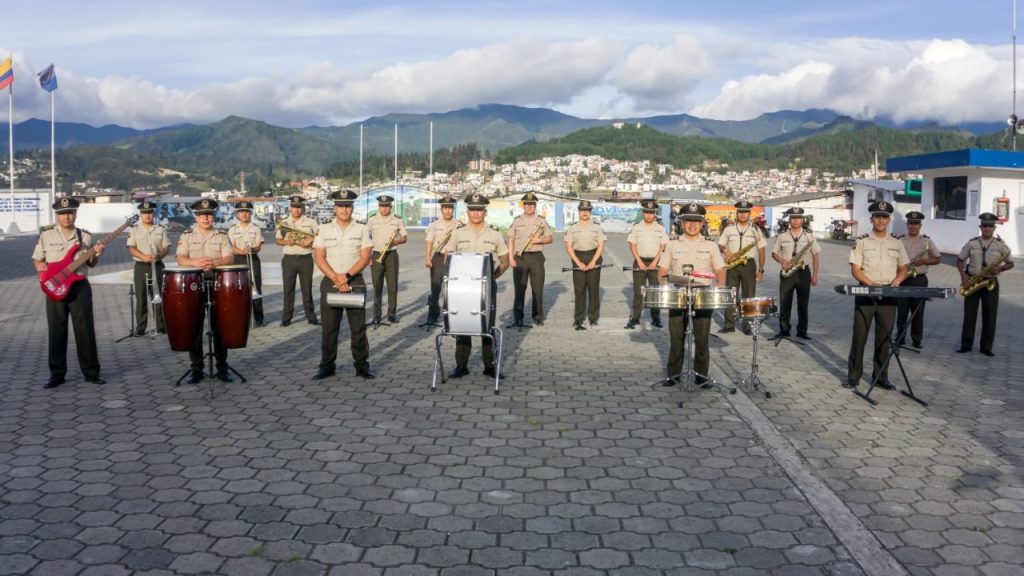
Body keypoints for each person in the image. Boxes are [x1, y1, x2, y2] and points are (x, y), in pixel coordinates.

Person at [33, 196, 106, 388]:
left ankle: (91, 372)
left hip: (79, 287)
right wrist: (45, 276)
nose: (67, 217)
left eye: (70, 213)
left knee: (85, 330)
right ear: (57, 215)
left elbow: (91, 263)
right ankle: (56, 374)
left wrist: (96, 255)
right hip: (55, 288)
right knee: (57, 330)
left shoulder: (85, 237)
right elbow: (38, 260)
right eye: (63, 214)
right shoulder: (46, 235)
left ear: (75, 214)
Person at [658, 202, 726, 387]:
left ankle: (701, 377)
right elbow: (662, 269)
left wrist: (720, 284)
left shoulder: (711, 246)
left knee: (702, 338)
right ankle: (673, 375)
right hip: (678, 293)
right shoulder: (672, 244)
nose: (692, 225)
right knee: (676, 337)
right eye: (688, 221)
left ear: (702, 224)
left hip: (703, 294)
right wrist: (663, 285)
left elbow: (720, 269)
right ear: (682, 223)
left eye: (696, 222)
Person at [312, 190, 375, 380]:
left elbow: (365, 257)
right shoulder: (324, 229)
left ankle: (362, 366)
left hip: (354, 282)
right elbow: (318, 256)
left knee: (358, 329)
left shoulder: (362, 229)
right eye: (340, 206)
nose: (344, 209)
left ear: (352, 208)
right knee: (329, 329)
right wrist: (335, 278)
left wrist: (346, 277)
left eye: (347, 206)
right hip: (330, 282)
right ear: (335, 208)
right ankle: (327, 367)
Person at [846, 200, 908, 389]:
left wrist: (897, 282)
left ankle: (880, 377)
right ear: (872, 219)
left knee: (884, 338)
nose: (881, 221)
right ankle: (853, 377)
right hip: (866, 292)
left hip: (889, 294)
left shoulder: (897, 242)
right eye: (877, 217)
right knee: (860, 337)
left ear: (888, 220)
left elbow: (904, 268)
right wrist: (871, 285)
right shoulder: (862, 241)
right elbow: (855, 270)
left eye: (884, 217)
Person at [447, 193, 510, 379]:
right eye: (473, 210)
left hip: (486, 289)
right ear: (467, 212)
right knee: (462, 323)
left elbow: (504, 260)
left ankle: (489, 366)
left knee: (487, 324)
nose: (476, 214)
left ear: (485, 212)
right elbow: (448, 258)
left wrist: (492, 277)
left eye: (479, 210)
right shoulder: (457, 233)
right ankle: (461, 365)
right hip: (463, 287)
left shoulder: (495, 234)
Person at [176, 198, 236, 384]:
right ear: (196, 217)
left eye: (209, 215)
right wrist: (195, 262)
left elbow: (230, 257)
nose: (205, 218)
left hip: (217, 285)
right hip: (194, 285)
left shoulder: (221, 235)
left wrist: (216, 262)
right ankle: (196, 369)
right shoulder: (187, 235)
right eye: (202, 215)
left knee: (219, 327)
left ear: (213, 216)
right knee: (195, 327)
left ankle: (222, 367)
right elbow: (180, 258)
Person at [956, 212, 1014, 356]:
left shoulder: (1001, 245)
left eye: (990, 226)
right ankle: (966, 345)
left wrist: (1000, 268)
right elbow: (959, 260)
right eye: (984, 225)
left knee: (990, 316)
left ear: (994, 228)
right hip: (972, 281)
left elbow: (1011, 263)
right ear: (980, 227)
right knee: (969, 315)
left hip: (990, 282)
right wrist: (963, 277)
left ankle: (986, 347)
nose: (987, 228)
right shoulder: (972, 243)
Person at [718, 200, 767, 334]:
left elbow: (762, 250)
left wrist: (761, 270)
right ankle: (729, 326)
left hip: (748, 265)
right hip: (732, 264)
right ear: (737, 213)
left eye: (745, 212)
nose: (743, 215)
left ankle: (747, 326)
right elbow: (720, 244)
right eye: (741, 212)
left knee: (749, 296)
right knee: (730, 295)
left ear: (749, 213)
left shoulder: (755, 229)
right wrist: (726, 251)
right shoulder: (729, 229)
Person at [772, 208, 820, 339]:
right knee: (785, 302)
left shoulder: (809, 235)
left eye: (798, 218)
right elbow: (774, 253)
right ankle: (784, 329)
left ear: (802, 220)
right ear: (789, 220)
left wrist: (815, 275)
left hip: (804, 272)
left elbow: (816, 255)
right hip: (787, 271)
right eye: (793, 218)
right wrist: (782, 261)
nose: (795, 220)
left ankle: (802, 331)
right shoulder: (782, 235)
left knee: (803, 303)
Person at [895, 211, 940, 348]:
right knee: (902, 311)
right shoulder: (899, 239)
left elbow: (937, 259)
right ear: (907, 225)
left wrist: (925, 261)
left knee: (918, 312)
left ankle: (916, 339)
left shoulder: (927, 241)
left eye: (916, 224)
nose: (913, 226)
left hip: (919, 279)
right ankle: (900, 338)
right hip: (902, 278)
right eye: (911, 223)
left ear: (920, 225)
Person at [508, 191, 553, 326]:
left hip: (536, 258)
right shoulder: (517, 221)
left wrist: (539, 240)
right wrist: (511, 258)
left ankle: (538, 316)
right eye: (527, 205)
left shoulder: (541, 221)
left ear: (535, 206)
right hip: (520, 258)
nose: (529, 207)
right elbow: (511, 240)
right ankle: (518, 317)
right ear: (523, 206)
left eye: (532, 205)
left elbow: (550, 238)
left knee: (537, 289)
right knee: (520, 289)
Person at [125, 199, 169, 335]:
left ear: (153, 213)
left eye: (149, 212)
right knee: (141, 296)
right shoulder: (135, 230)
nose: (147, 215)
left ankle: (161, 325)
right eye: (144, 213)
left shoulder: (160, 229)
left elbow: (166, 247)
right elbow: (131, 248)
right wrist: (144, 257)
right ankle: (141, 326)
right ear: (140, 214)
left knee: (159, 296)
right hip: (141, 266)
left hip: (157, 265)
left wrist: (158, 255)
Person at [276, 195, 319, 327]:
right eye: (294, 207)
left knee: (307, 289)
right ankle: (287, 317)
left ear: (303, 207)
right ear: (290, 208)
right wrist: (287, 241)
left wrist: (310, 240)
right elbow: (278, 240)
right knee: (288, 289)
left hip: (306, 258)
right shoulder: (284, 223)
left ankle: (311, 317)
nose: (297, 210)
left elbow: (319, 234)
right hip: (289, 259)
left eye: (299, 207)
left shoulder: (311, 222)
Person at [625, 199, 668, 329]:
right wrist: (639, 262)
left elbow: (663, 246)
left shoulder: (660, 229)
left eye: (651, 212)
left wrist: (655, 262)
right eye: (647, 212)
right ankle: (635, 318)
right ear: (643, 213)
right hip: (640, 261)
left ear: (655, 213)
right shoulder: (637, 227)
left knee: (655, 292)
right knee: (638, 293)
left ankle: (656, 319)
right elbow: (632, 245)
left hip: (656, 262)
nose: (649, 215)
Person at [565, 200, 607, 330]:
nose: (585, 213)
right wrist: (578, 262)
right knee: (579, 290)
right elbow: (568, 247)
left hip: (594, 256)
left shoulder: (597, 227)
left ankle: (593, 318)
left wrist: (593, 261)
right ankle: (578, 318)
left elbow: (601, 245)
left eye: (587, 210)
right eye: (582, 210)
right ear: (579, 212)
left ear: (590, 212)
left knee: (593, 289)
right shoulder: (573, 228)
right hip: (578, 257)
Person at [366, 194, 408, 324]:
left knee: (392, 286)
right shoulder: (372, 220)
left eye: (386, 206)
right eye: (382, 206)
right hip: (376, 254)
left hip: (391, 255)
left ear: (391, 206)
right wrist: (367, 257)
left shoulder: (397, 220)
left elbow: (404, 237)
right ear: (378, 206)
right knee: (377, 286)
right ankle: (377, 315)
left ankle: (391, 314)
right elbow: (366, 239)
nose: (384, 208)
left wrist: (396, 241)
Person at [227, 200, 265, 327]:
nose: (244, 214)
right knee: (239, 289)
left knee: (256, 288)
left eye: (247, 212)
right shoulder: (232, 229)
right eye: (241, 212)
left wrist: (252, 249)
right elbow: (231, 246)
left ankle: (259, 318)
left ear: (250, 213)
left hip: (253, 259)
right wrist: (241, 251)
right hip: (238, 260)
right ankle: (241, 317)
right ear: (237, 214)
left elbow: (258, 245)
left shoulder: (256, 228)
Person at [424, 195, 460, 325]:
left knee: (453, 288)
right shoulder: (434, 225)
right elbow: (429, 241)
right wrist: (428, 257)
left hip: (455, 258)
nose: (447, 211)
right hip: (438, 258)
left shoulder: (459, 225)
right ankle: (433, 314)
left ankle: (453, 315)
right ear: (441, 209)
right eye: (445, 208)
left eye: (450, 208)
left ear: (453, 209)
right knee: (436, 288)